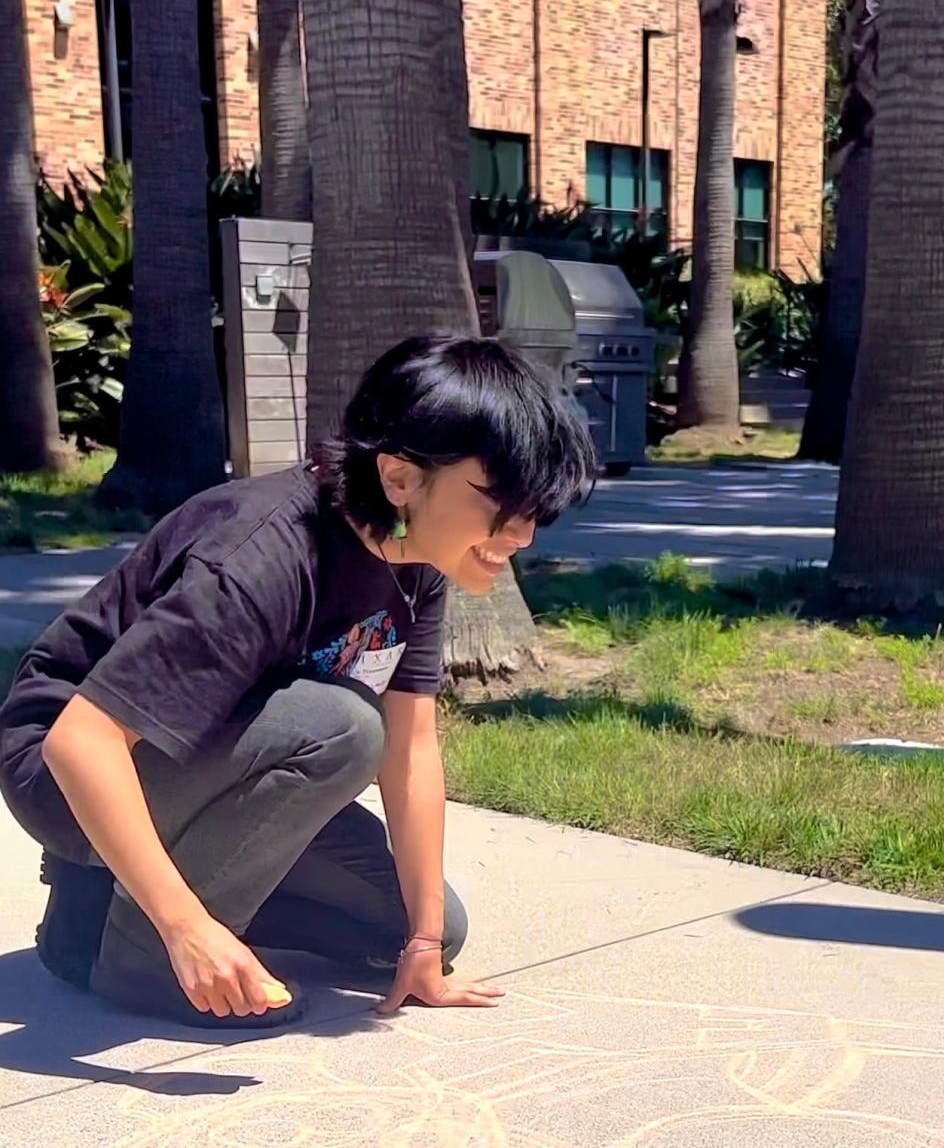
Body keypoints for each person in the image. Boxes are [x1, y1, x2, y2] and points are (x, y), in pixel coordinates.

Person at [0, 334, 595, 1028]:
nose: (521, 534)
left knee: (422, 928)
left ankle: (96, 908)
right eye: (504, 504)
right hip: (70, 772)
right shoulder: (258, 558)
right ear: (401, 479)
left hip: (209, 758)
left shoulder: (417, 560)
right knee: (341, 726)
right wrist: (185, 926)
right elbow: (82, 741)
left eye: (535, 513)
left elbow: (413, 749)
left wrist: (425, 942)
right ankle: (146, 957)